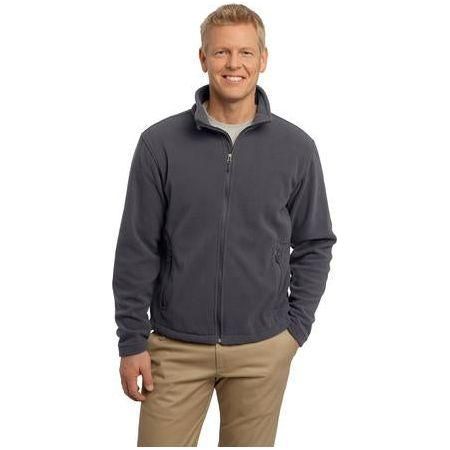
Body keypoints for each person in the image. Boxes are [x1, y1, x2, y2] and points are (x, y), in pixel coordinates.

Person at [112, 3, 337, 446]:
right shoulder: (159, 144)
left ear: (263, 59)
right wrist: (131, 339)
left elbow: (315, 242)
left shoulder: (296, 148)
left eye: (245, 52)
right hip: (175, 347)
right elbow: (137, 247)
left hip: (262, 348)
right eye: (221, 52)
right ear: (203, 58)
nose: (234, 64)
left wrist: (295, 329)